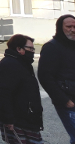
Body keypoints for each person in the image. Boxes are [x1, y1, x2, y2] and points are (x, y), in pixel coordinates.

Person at [0, 34, 44, 144]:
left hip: (26, 116)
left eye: (33, 49)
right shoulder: (10, 64)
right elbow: (4, 93)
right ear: (18, 48)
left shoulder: (22, 62)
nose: (32, 51)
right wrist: (8, 119)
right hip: (18, 119)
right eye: (30, 48)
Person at [38, 14, 75, 144]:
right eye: (69, 26)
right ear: (60, 28)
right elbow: (45, 77)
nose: (73, 29)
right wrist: (65, 100)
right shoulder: (52, 47)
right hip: (68, 103)